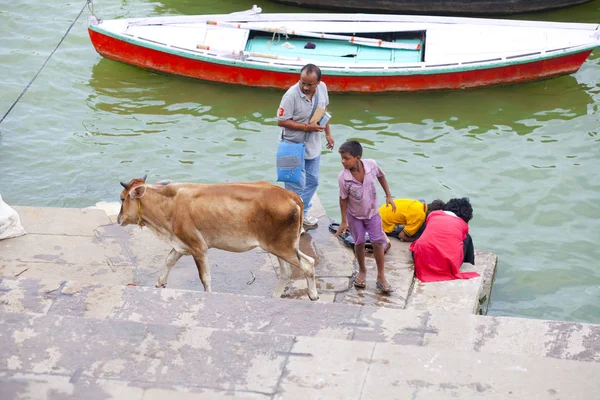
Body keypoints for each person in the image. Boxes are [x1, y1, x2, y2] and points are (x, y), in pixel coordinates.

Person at [334, 140, 396, 293]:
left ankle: (381, 276)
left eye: (346, 158)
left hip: (372, 213)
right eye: (341, 158)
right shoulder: (343, 177)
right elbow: (343, 199)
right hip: (354, 216)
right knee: (359, 242)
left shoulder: (371, 165)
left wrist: (388, 195)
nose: (343, 161)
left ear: (357, 157)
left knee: (377, 242)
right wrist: (343, 221)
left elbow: (381, 176)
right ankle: (362, 271)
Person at [277, 63, 334, 228]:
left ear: (318, 83)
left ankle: (304, 212)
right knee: (294, 185)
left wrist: (328, 134)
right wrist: (306, 127)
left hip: (313, 143)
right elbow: (281, 121)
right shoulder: (290, 96)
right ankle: (293, 221)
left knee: (313, 181)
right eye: (303, 82)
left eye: (310, 84)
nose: (305, 87)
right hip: (290, 144)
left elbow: (323, 111)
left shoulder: (322, 88)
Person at [409, 197, 478, 282]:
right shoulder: (462, 224)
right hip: (445, 265)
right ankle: (470, 264)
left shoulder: (433, 215)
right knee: (467, 237)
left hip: (419, 257)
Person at [379, 198, 445, 242]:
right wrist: (414, 240)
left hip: (381, 212)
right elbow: (401, 236)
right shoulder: (420, 216)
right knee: (419, 233)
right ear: (431, 212)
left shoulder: (419, 204)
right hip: (383, 225)